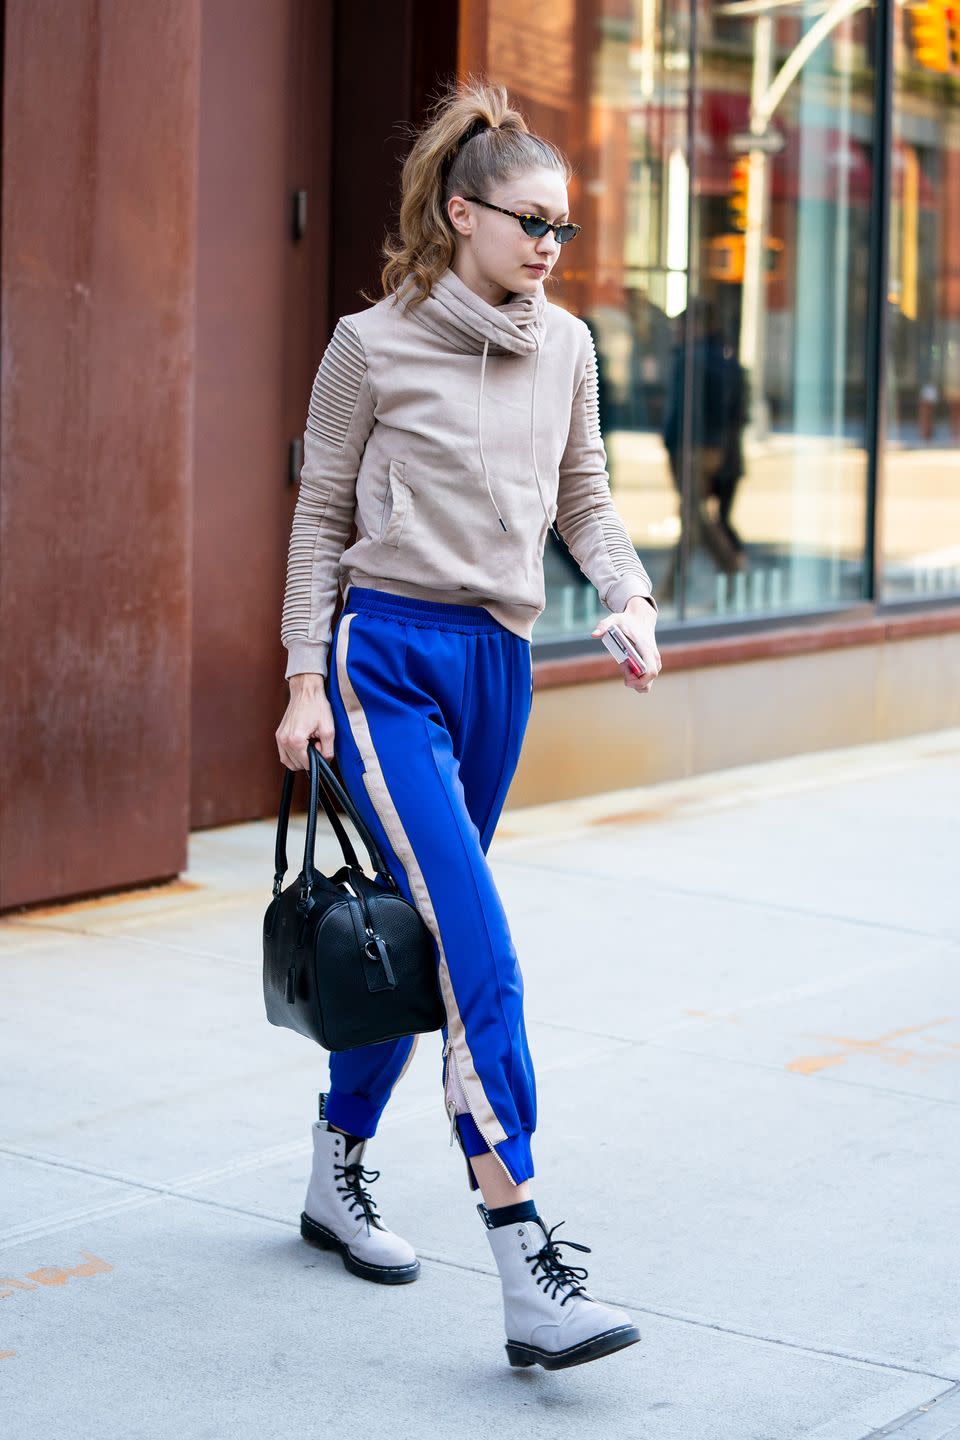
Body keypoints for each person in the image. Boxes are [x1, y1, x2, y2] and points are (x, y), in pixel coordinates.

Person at [274, 78, 661, 1372]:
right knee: (475, 950)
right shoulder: (366, 346)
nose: (552, 246)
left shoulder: (569, 348)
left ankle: (337, 1162)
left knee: (416, 939)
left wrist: (629, 594)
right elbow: (319, 518)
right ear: (460, 214)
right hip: (385, 659)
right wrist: (299, 683)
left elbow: (586, 501)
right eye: (531, 220)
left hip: (499, 664)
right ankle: (525, 1254)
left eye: (566, 226)